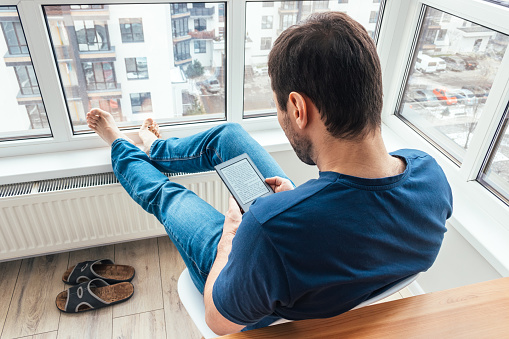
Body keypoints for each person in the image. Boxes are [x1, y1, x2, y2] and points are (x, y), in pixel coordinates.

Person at [86, 12, 452, 336]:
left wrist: (231, 234)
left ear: (297, 108)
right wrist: (299, 200)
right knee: (228, 137)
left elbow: (218, 319)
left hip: (254, 297)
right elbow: (360, 216)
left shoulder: (265, 229)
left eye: (278, 106)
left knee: (169, 197)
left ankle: (120, 143)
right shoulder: (430, 176)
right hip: (301, 261)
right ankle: (156, 149)